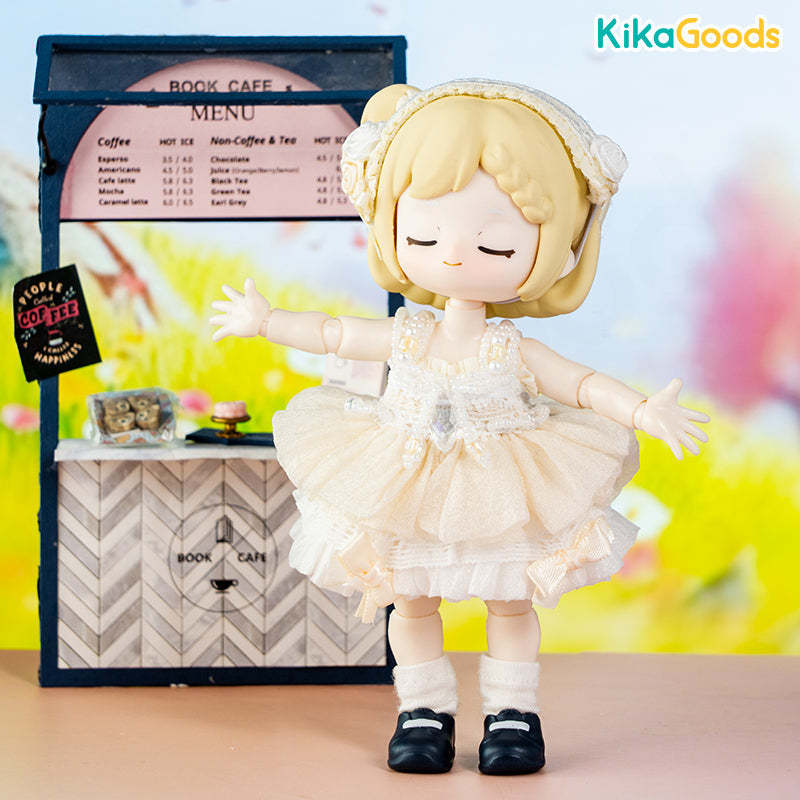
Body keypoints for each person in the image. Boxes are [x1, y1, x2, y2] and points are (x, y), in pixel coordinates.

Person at [210, 79, 710, 776]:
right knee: (411, 598)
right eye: (422, 235)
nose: (451, 256)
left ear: (555, 248)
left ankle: (513, 714)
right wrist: (266, 323)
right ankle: (423, 712)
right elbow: (335, 333)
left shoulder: (511, 346)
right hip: (405, 478)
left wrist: (640, 410)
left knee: (510, 598)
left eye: (495, 245)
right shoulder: (409, 333)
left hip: (503, 481)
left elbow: (580, 384)